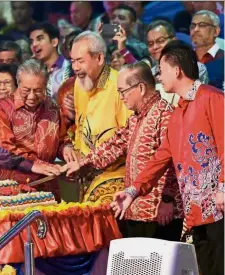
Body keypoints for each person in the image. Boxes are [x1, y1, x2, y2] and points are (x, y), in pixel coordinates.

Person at [111, 41, 224, 275]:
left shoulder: (212, 98)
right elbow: (161, 157)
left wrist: (223, 186)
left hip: (219, 207)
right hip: (196, 214)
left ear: (176, 70)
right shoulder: (178, 112)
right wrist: (133, 191)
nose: (158, 76)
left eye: (161, 70)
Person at [64, 62, 184, 241]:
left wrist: (168, 199)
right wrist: (82, 164)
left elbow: (175, 161)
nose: (121, 97)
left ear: (141, 88)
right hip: (136, 208)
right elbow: (114, 145)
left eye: (123, 91)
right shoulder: (136, 117)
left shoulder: (164, 114)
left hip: (159, 210)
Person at [0, 60, 76, 200]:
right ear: (18, 84)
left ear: (46, 85)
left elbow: (61, 140)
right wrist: (37, 164)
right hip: (13, 186)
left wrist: (66, 148)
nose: (31, 96)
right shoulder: (3, 108)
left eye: (38, 91)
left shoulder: (52, 107)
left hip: (47, 183)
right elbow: (5, 149)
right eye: (26, 90)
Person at [70, 31, 132, 203]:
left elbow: (129, 137)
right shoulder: (79, 82)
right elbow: (79, 125)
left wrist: (92, 161)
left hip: (116, 172)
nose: (75, 67)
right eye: (73, 61)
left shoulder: (120, 85)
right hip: (85, 171)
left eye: (80, 61)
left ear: (99, 58)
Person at [147, 20, 209, 106]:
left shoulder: (196, 67)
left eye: (160, 41)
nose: (155, 47)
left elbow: (195, 96)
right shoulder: (150, 74)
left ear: (174, 40)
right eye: (150, 43)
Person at [29, 22, 72, 100]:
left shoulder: (70, 67)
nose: (34, 44)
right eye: (31, 41)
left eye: (40, 38)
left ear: (54, 42)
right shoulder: (33, 72)